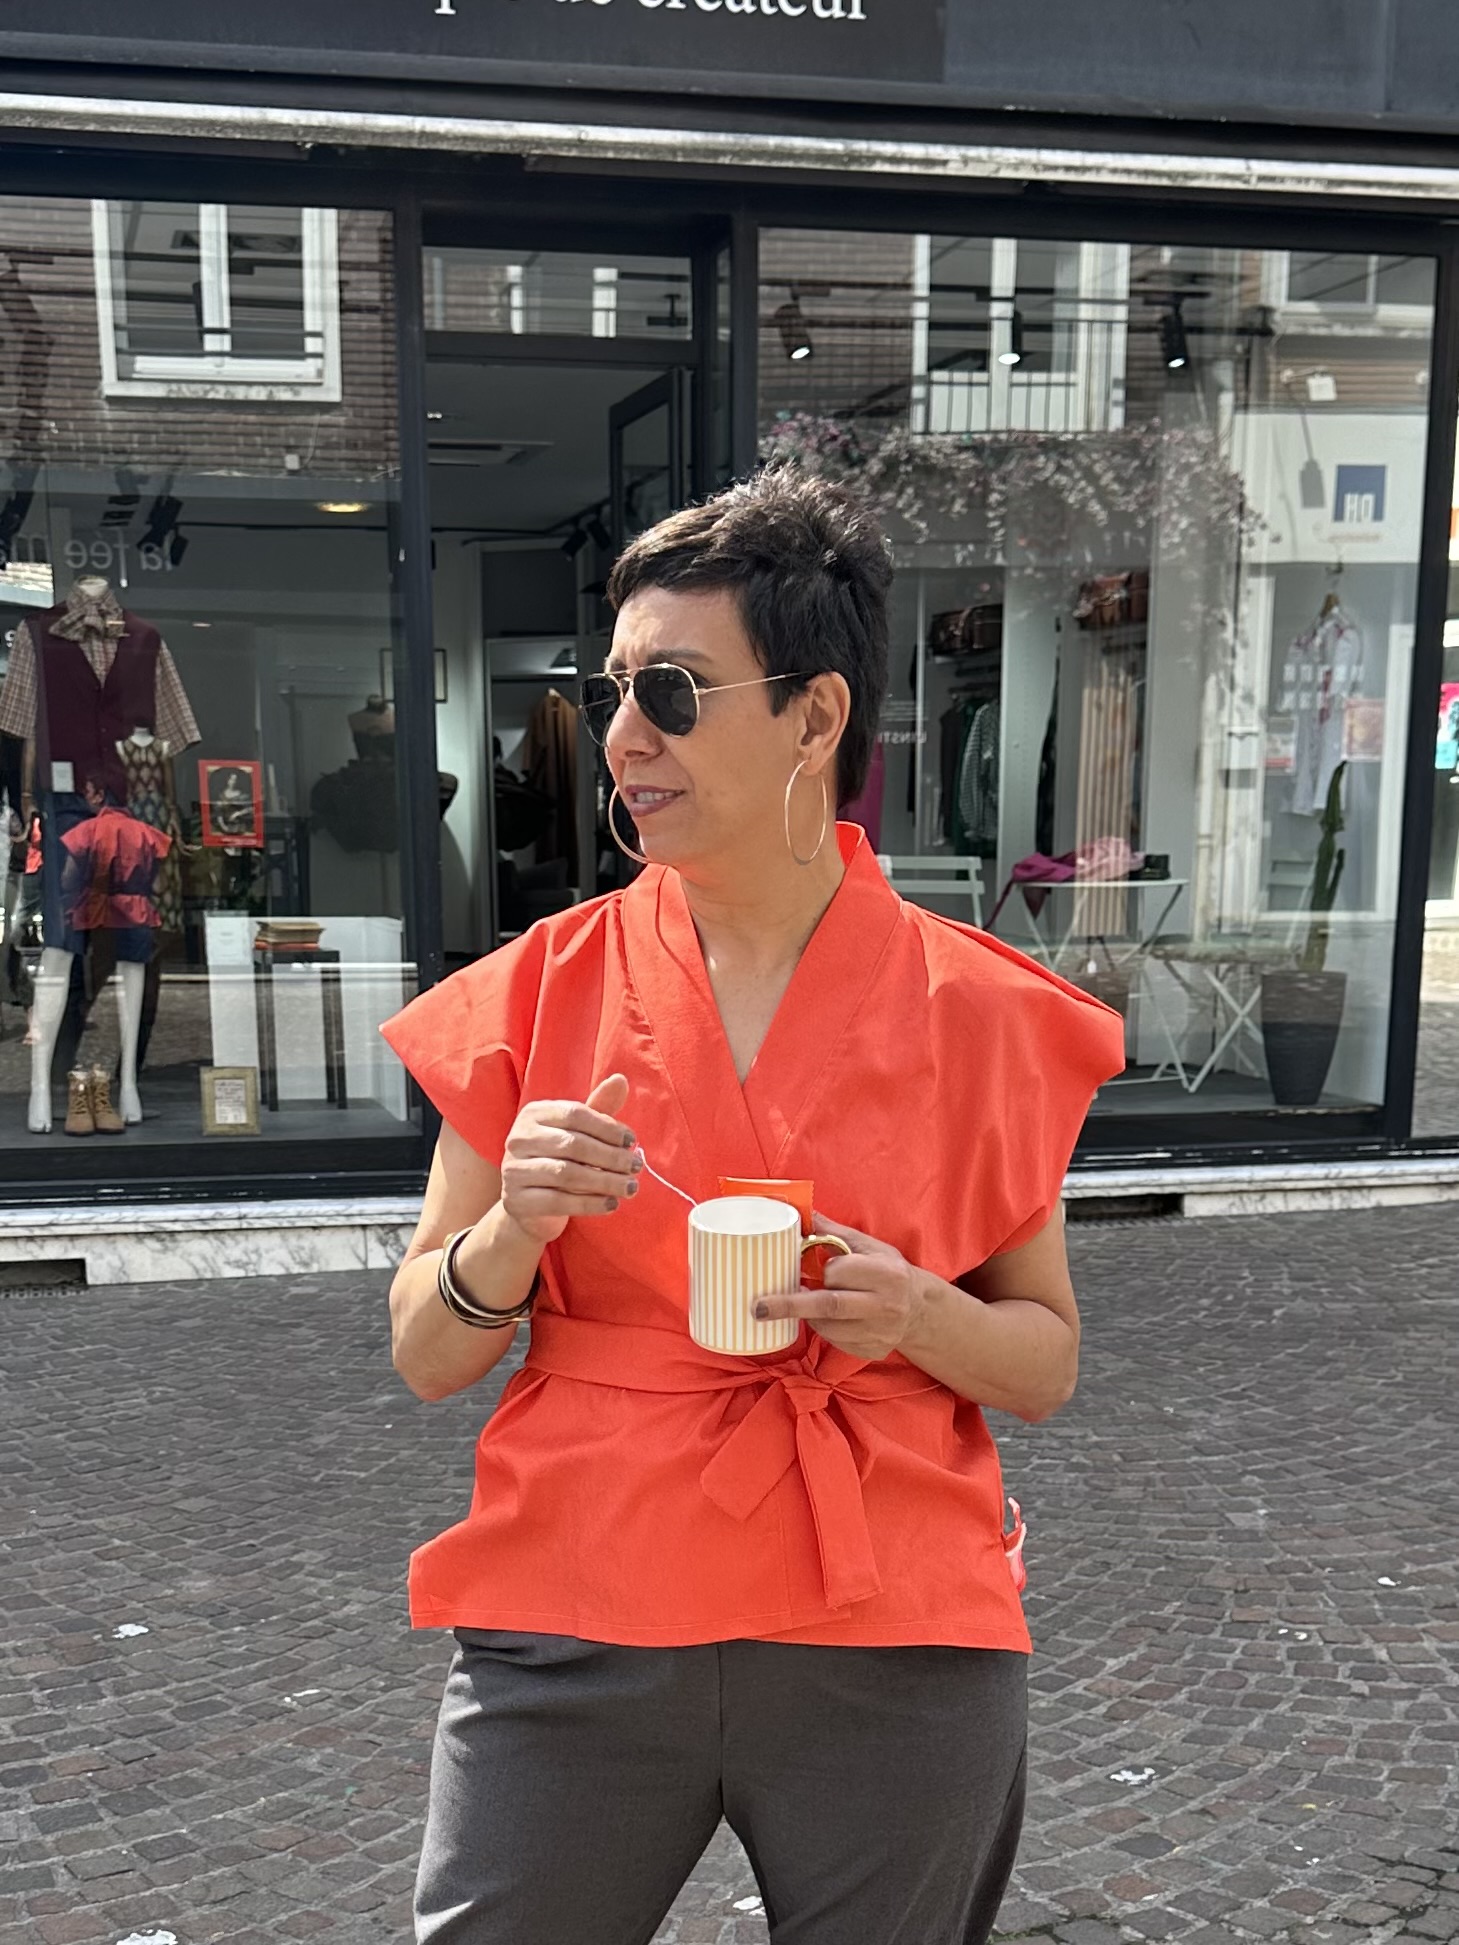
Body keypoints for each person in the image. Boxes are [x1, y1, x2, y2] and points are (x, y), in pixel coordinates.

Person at [381, 467, 1126, 1945]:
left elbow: (1042, 1361)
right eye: (613, 690)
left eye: (670, 690)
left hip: (892, 1625)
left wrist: (915, 1312)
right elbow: (425, 1351)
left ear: (815, 715)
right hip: (580, 1601)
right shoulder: (536, 994)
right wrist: (512, 1230)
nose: (622, 736)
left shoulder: (982, 1013)